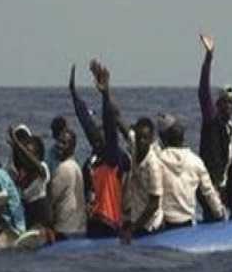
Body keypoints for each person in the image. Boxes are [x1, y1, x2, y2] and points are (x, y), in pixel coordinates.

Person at [92, 60, 163, 242]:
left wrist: (133, 230)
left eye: (145, 138)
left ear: (151, 139)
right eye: (138, 137)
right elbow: (116, 118)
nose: (140, 141)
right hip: (135, 217)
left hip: (150, 225)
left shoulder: (153, 165)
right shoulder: (134, 142)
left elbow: (154, 204)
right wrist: (105, 92)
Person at [69, 63, 128, 238]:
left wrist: (105, 94)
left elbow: (110, 125)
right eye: (97, 133)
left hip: (111, 226)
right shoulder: (94, 160)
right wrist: (74, 94)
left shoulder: (114, 158)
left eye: (102, 133)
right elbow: (86, 122)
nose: (97, 135)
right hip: (93, 223)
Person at [198, 34, 232, 218]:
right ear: (218, 104)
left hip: (224, 191)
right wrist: (209, 58)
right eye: (225, 102)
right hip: (207, 190)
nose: (229, 106)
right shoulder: (211, 121)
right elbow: (203, 92)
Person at [155, 114, 226, 228]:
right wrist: (219, 213)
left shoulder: (158, 160)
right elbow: (209, 192)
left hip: (163, 223)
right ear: (183, 138)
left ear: (164, 139)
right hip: (187, 222)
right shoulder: (196, 161)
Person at [10, 125, 51, 232]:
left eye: (30, 153)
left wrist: (18, 144)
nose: (27, 156)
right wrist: (15, 148)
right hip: (28, 213)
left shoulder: (43, 168)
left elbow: (39, 167)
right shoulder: (21, 173)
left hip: (41, 212)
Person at [47, 129, 86, 239]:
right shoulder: (76, 166)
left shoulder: (63, 168)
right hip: (79, 228)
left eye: (64, 143)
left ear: (72, 147)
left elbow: (51, 199)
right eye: (58, 141)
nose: (59, 145)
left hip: (65, 229)